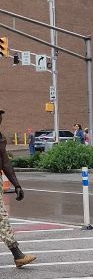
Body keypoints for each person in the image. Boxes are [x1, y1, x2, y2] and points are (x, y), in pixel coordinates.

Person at [0, 109, 36, 268]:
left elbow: (5, 162)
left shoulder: (0, 138)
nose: (0, 119)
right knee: (1, 218)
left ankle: (17, 255)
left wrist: (17, 185)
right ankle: (17, 254)